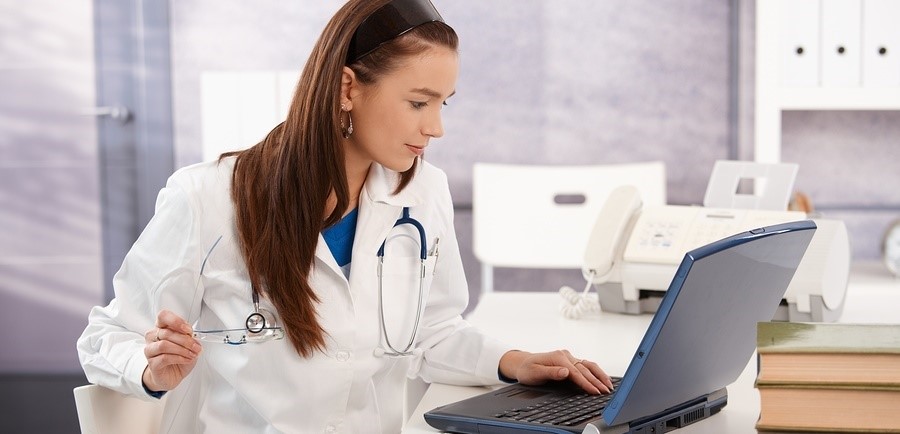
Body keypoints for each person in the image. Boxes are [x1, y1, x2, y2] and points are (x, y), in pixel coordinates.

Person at [77, 0, 613, 432]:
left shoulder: (424, 193)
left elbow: (430, 334)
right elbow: (105, 337)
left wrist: (515, 362)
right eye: (419, 102)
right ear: (347, 88)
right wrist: (151, 369)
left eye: (444, 104)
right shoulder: (208, 198)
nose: (437, 129)